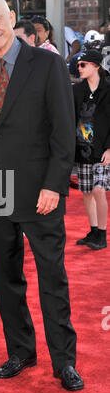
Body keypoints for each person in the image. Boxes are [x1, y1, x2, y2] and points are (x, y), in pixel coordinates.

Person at [0, 0, 84, 391]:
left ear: (12, 18)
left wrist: (54, 184)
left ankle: (64, 361)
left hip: (41, 194)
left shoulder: (47, 63)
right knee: (6, 278)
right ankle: (21, 350)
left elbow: (62, 130)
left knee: (52, 277)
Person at [73, 49, 110, 250]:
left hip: (102, 150)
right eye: (78, 65)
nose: (79, 68)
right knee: (87, 192)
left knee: (98, 190)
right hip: (82, 149)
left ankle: (102, 234)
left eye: (83, 64)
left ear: (95, 66)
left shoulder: (108, 89)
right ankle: (93, 231)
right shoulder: (76, 91)